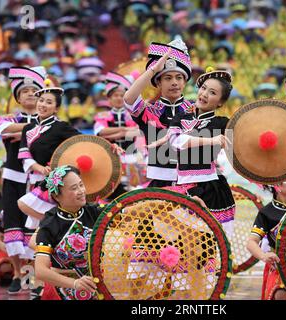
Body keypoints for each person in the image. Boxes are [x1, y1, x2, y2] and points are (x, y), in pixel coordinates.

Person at [0, 66, 46, 294]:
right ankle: (17, 273)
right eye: (25, 91)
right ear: (17, 96)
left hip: (38, 180)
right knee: (13, 226)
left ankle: (34, 275)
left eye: (35, 91)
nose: (30, 94)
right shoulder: (8, 118)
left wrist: (23, 133)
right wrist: (36, 127)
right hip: (14, 179)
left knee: (37, 228)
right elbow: (2, 129)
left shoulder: (49, 120)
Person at [166, 68, 235, 236]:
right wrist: (211, 140)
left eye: (212, 92)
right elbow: (176, 142)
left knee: (207, 241)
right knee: (182, 241)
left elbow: (244, 147)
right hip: (183, 185)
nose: (204, 94)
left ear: (220, 102)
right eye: (203, 88)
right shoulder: (181, 118)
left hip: (211, 187)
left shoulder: (223, 123)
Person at [123, 38, 194, 187]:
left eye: (179, 78)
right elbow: (129, 99)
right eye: (168, 78)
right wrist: (154, 69)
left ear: (184, 82)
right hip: (160, 184)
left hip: (193, 182)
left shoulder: (196, 110)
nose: (174, 82)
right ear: (158, 83)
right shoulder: (149, 111)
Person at [17, 79, 80, 229]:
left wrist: (109, 146)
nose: (43, 105)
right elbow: (24, 154)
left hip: (54, 180)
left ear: (56, 108)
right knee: (40, 225)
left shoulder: (61, 127)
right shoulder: (28, 128)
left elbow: (84, 142)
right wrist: (39, 168)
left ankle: (58, 222)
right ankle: (57, 223)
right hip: (35, 178)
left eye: (49, 102)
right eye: (41, 100)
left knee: (24, 204)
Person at [33, 165, 100, 300]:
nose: (81, 191)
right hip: (63, 289)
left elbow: (123, 213)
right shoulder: (49, 225)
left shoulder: (93, 211)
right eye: (74, 188)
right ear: (57, 196)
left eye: (81, 185)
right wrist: (75, 283)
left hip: (95, 285)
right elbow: (40, 271)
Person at [246, 179, 286, 300]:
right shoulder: (267, 212)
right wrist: (264, 256)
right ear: (277, 186)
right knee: (280, 294)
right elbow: (251, 242)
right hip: (280, 265)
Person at [94, 71, 140, 197]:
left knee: (132, 189)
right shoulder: (102, 115)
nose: (119, 98)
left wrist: (113, 133)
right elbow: (100, 132)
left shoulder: (132, 115)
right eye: (115, 95)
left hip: (131, 156)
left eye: (122, 95)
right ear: (109, 98)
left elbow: (137, 131)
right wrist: (124, 130)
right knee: (112, 189)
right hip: (111, 157)